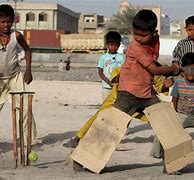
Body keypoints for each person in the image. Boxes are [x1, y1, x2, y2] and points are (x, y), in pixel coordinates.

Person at [113, 9, 180, 174]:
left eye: (143, 35)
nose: (138, 38)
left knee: (167, 126)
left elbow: (154, 61)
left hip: (146, 93)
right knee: (111, 127)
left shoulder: (154, 41)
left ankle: (174, 164)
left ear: (153, 33)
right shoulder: (136, 47)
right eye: (135, 33)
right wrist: (172, 69)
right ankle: (84, 159)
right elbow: (154, 69)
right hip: (128, 93)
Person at [63, 66, 174, 149]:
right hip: (118, 101)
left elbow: (159, 86)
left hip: (141, 104)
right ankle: (78, 139)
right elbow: (115, 77)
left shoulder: (152, 71)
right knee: (98, 119)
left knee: (158, 120)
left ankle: (164, 149)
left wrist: (165, 85)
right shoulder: (126, 66)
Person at [0, 4, 37, 146]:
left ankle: (27, 140)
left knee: (25, 109)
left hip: (15, 77)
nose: (6, 25)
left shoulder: (16, 35)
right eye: (2, 21)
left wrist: (28, 70)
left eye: (9, 21)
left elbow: (27, 50)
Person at [97, 31, 125, 101]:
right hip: (106, 87)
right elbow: (100, 72)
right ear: (106, 45)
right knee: (106, 105)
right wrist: (108, 82)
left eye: (116, 45)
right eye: (111, 45)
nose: (113, 47)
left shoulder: (121, 57)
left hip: (118, 87)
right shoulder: (103, 57)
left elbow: (124, 70)